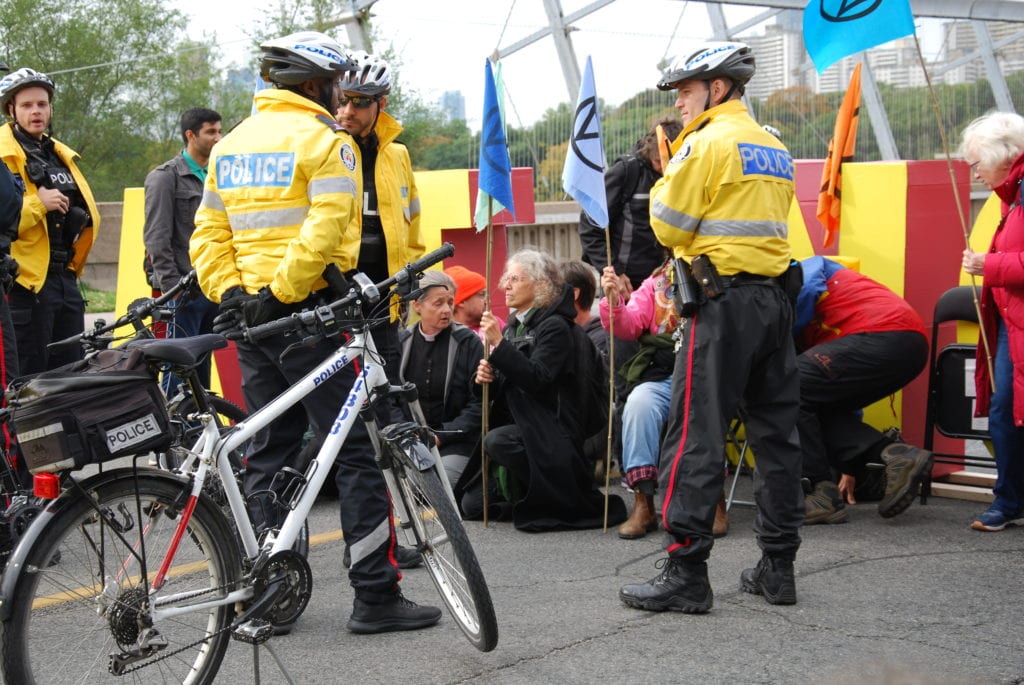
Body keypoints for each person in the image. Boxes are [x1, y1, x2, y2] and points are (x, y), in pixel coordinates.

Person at [189, 31, 439, 634]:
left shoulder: (231, 144)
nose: (342, 98)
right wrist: (282, 294)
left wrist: (236, 295)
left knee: (269, 452)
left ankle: (267, 594)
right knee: (352, 452)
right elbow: (330, 234)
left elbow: (207, 234)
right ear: (315, 85)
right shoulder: (330, 143)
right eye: (335, 85)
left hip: (251, 326)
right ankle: (375, 595)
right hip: (308, 319)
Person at [620, 42, 804, 614]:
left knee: (695, 434)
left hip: (721, 303)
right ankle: (778, 567)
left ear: (717, 89)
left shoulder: (705, 142)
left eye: (686, 90)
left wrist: (672, 168)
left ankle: (686, 571)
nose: (679, 102)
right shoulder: (773, 144)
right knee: (777, 440)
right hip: (774, 303)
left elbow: (670, 225)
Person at [472, 248, 627, 531]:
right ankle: (529, 493)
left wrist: (500, 346)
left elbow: (537, 379)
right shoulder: (513, 328)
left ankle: (552, 494)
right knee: (472, 505)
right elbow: (507, 388)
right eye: (506, 277)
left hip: (555, 429)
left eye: (515, 278)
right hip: (523, 423)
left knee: (498, 441)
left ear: (541, 284)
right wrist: (486, 379)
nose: (505, 284)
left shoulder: (555, 326)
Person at [794, 256, 933, 525]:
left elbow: (807, 288)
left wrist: (778, 329)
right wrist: (847, 465)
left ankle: (821, 493)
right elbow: (835, 395)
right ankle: (893, 455)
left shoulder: (799, 271)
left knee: (784, 386)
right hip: (902, 343)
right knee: (806, 399)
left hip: (883, 333)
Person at [599, 260, 731, 540]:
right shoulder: (656, 283)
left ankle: (714, 501)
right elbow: (629, 327)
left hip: (705, 371)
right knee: (638, 404)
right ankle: (644, 503)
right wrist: (613, 303)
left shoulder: (721, 270)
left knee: (704, 406)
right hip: (662, 374)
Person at [0, 67, 98, 375]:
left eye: (42, 104)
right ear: (11, 110)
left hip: (65, 279)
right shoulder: (4, 154)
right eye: (27, 105)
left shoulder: (58, 154)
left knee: (71, 377)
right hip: (24, 284)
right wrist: (38, 204)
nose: (36, 111)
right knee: (29, 382)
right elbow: (5, 216)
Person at [960, 111, 1024, 532]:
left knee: (1007, 410)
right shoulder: (1011, 194)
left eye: (976, 162)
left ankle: (1008, 499)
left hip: (1015, 323)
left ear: (1003, 155)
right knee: (1004, 410)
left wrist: (990, 264)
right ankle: (1009, 498)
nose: (975, 173)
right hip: (1011, 325)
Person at [143, 107, 223, 391]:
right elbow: (156, 238)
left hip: (211, 287)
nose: (218, 138)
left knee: (202, 369)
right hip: (181, 292)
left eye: (219, 131)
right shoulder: (165, 177)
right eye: (210, 132)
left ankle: (200, 431)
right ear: (191, 135)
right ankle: (177, 431)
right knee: (177, 371)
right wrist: (173, 290)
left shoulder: (218, 175)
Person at [398, 269, 483, 487]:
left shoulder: (468, 342)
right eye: (438, 303)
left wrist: (441, 436)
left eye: (450, 302)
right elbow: (391, 399)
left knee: (436, 487)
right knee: (402, 486)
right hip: (412, 440)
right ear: (417, 305)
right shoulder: (402, 342)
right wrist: (407, 434)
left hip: (456, 441)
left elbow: (479, 405)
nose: (446, 310)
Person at [578, 115, 681, 290]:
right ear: (649, 149)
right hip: (627, 283)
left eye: (669, 164)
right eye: (658, 162)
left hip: (666, 280)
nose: (664, 170)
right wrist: (613, 271)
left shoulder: (681, 174)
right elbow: (590, 227)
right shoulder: (626, 171)